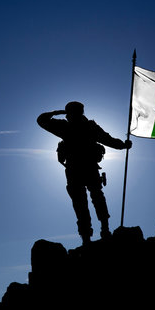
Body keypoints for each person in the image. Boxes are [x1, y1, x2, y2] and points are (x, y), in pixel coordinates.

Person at [37, 101, 132, 245]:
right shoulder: (76, 126)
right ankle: (94, 234)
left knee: (88, 201)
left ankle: (95, 234)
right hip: (80, 169)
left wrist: (123, 145)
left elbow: (108, 139)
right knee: (88, 201)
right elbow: (109, 140)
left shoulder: (73, 127)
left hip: (83, 169)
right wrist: (123, 145)